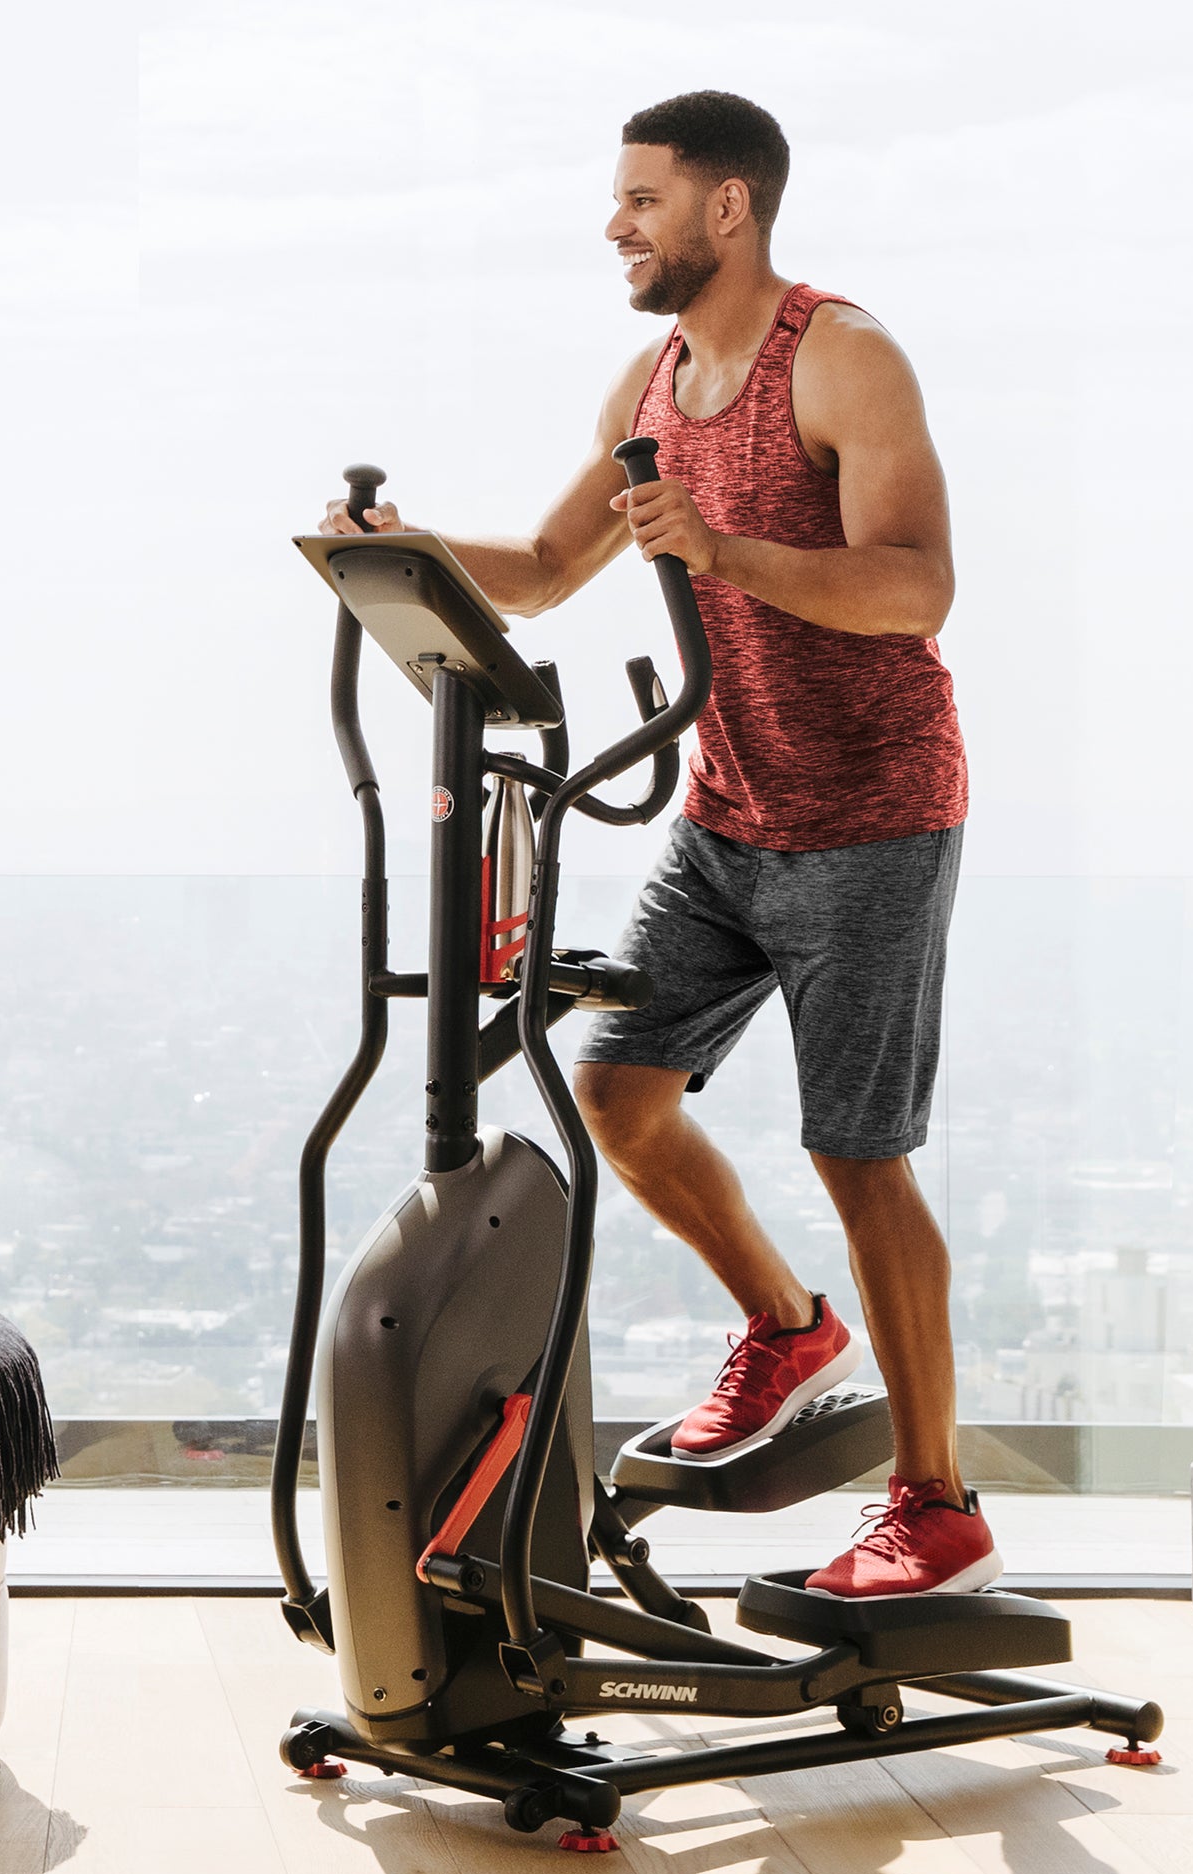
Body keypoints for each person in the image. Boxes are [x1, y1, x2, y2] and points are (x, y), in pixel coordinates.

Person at [319, 90, 997, 1598]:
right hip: (724, 811)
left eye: (641, 199)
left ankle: (936, 1503)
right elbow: (554, 571)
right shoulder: (650, 381)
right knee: (621, 1092)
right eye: (617, 201)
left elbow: (916, 590)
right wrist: (402, 549)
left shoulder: (843, 357)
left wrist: (731, 548)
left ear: (727, 210)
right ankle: (785, 1328)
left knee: (857, 1151)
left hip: (873, 813)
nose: (615, 224)